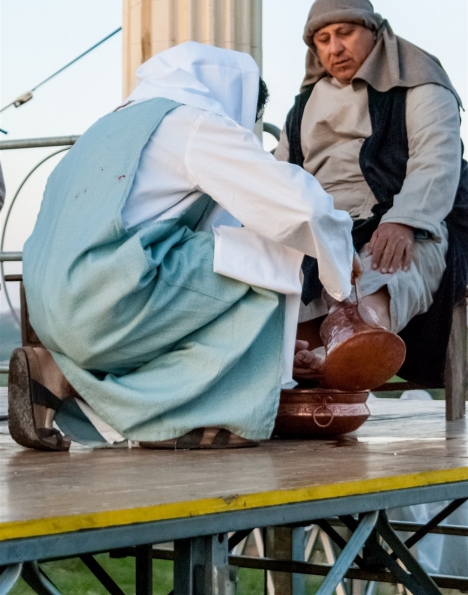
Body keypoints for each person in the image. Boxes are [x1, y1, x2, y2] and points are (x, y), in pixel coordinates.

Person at [10, 41, 355, 452]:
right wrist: (342, 263)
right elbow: (298, 207)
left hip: (52, 312)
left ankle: (57, 375)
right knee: (271, 257)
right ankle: (183, 414)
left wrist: (275, 348)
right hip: (102, 301)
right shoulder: (194, 123)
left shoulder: (102, 131)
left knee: (228, 257)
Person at [275, 0, 468, 387]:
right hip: (319, 225)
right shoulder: (303, 107)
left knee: (390, 263)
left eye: (345, 32)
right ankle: (308, 360)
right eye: (323, 40)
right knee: (265, 276)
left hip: (403, 216)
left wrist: (405, 221)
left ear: (374, 32)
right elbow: (279, 177)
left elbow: (436, 161)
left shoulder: (420, 84)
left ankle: (359, 333)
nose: (335, 48)